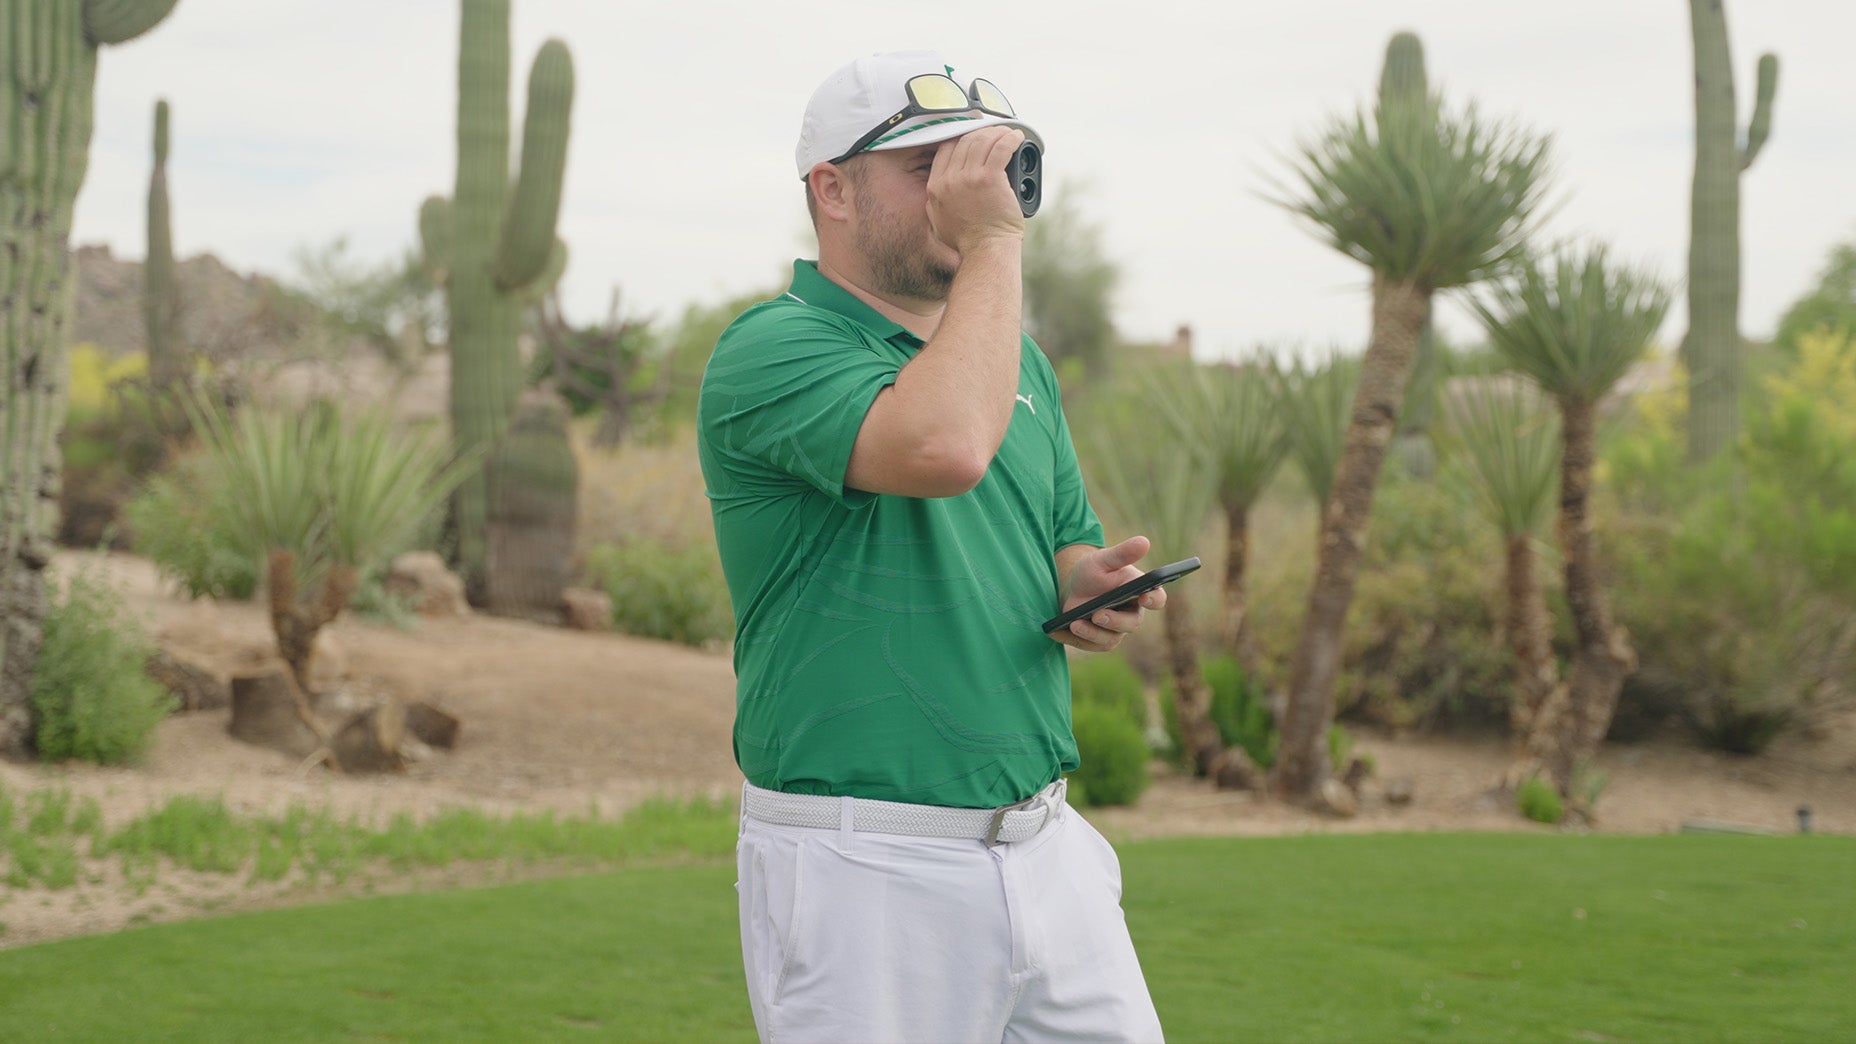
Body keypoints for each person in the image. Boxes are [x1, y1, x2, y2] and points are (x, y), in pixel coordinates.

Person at [696, 49, 1167, 1043]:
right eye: (930, 168)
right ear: (832, 189)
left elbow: (1058, 541)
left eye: (982, 169)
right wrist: (994, 241)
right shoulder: (770, 346)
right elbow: (943, 446)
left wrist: (1084, 585)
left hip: (1046, 846)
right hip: (863, 864)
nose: (968, 193)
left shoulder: (1016, 360)